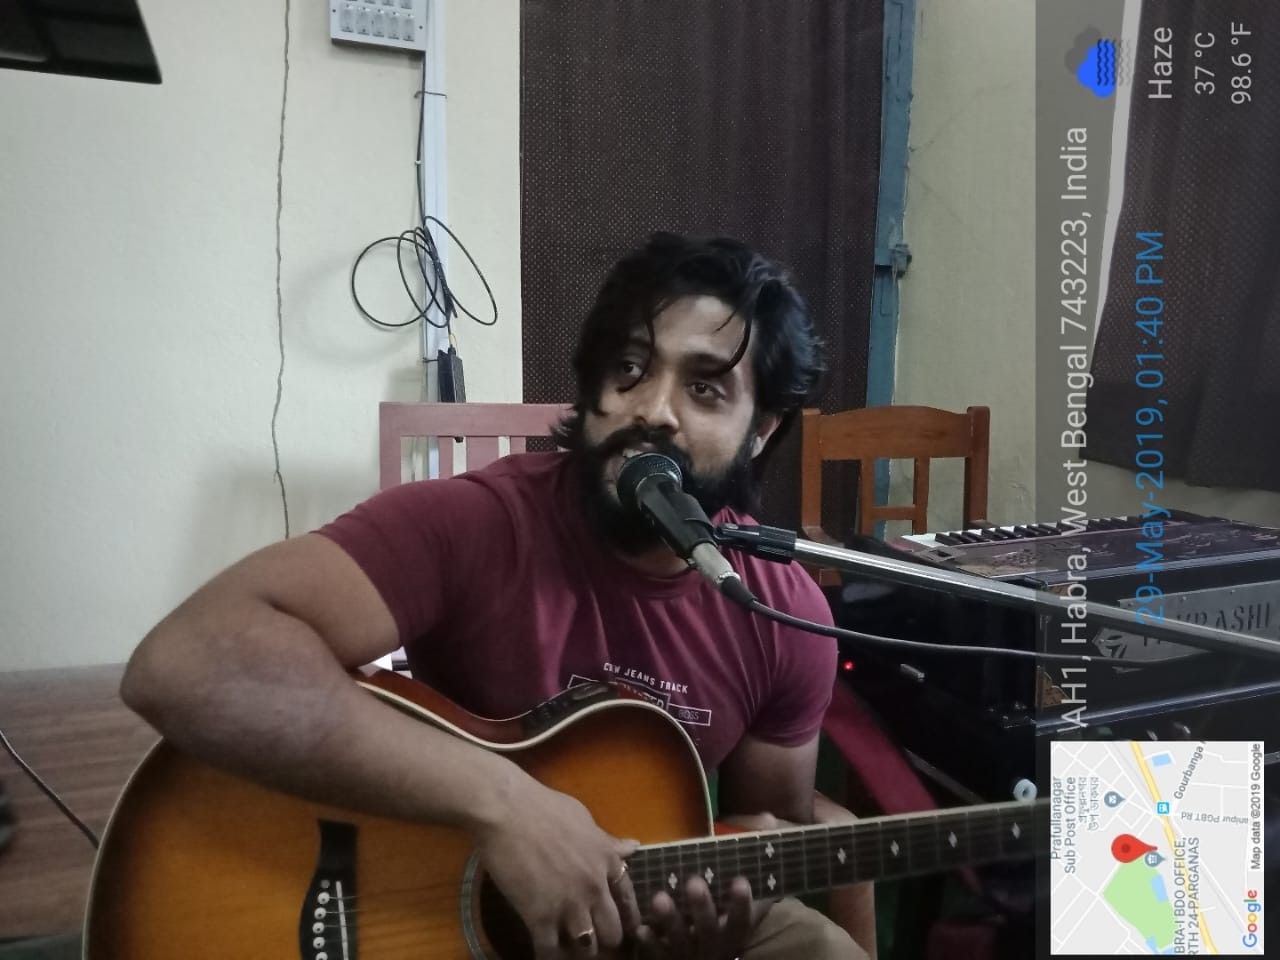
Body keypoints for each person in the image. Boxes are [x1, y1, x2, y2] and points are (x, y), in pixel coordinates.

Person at [121, 231, 874, 959]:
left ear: (762, 429)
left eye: (705, 388)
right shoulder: (477, 522)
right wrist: (504, 806)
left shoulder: (781, 612)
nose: (653, 409)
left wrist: (718, 917)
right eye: (630, 368)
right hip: (419, 903)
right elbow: (184, 661)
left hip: (636, 918)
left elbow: (756, 826)